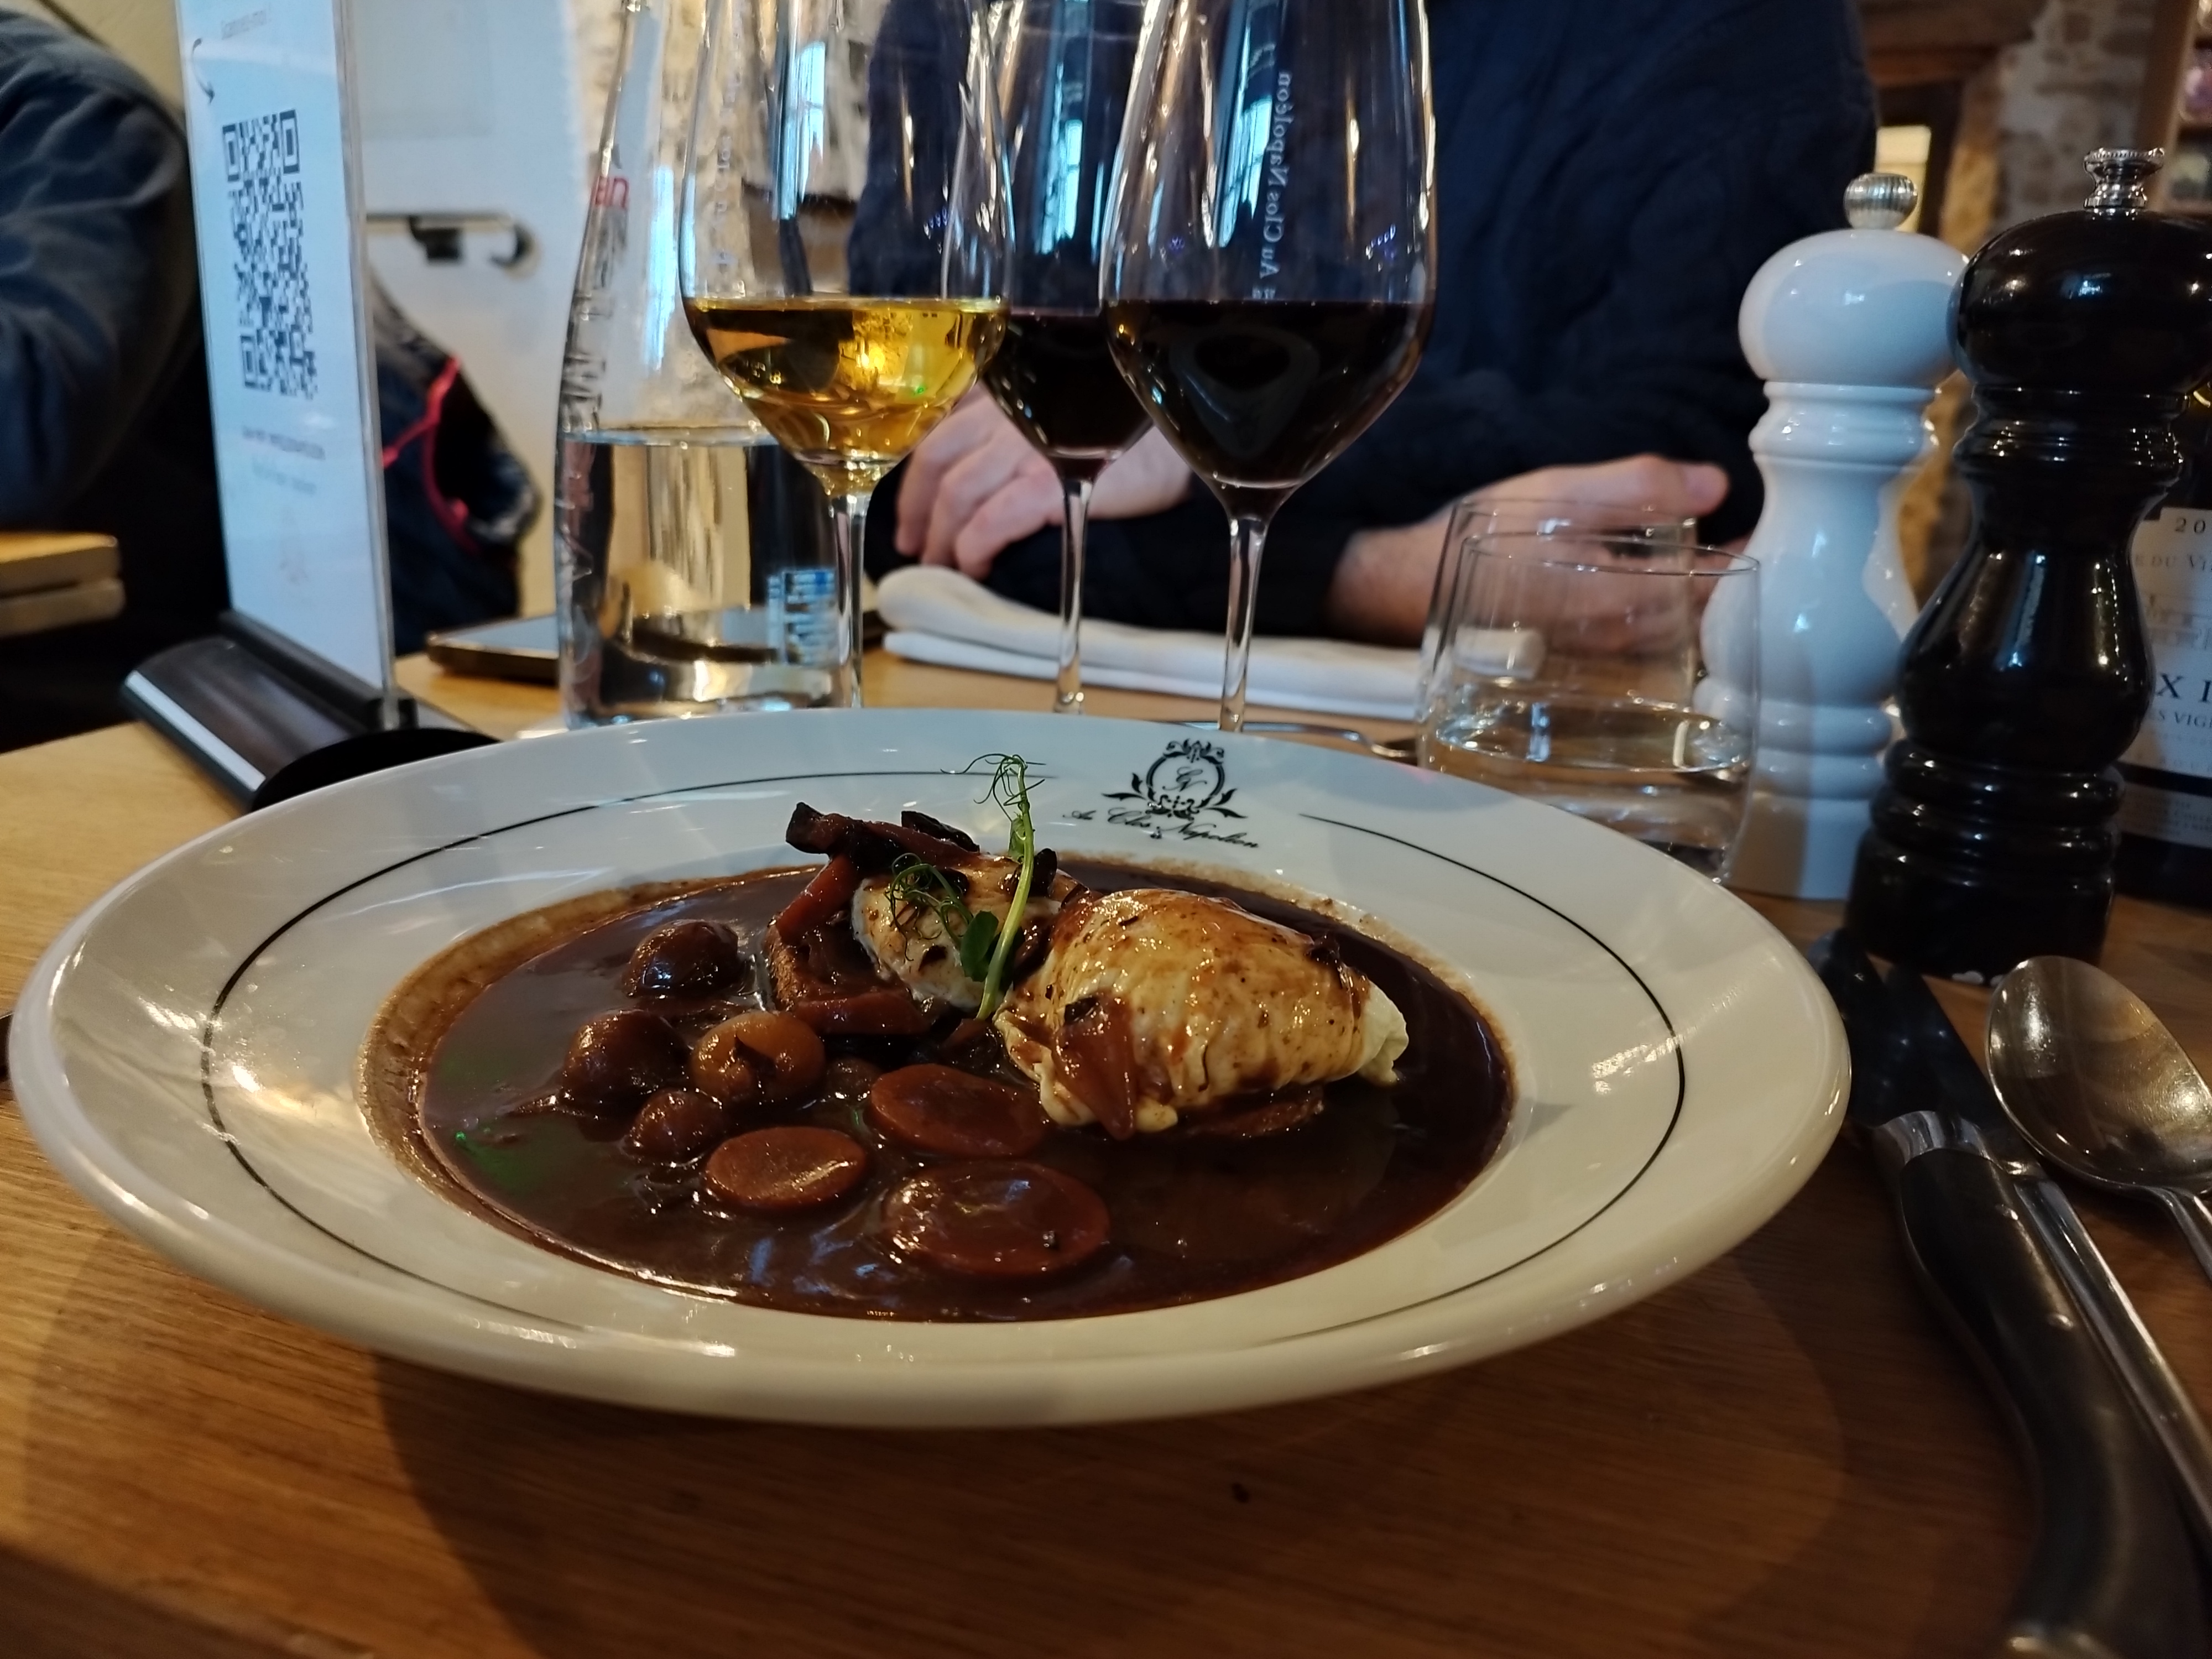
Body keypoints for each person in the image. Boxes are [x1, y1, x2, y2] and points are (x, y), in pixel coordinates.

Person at [878, 0, 1876, 645]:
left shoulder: (1741, 28)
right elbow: (901, 496)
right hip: (990, 728)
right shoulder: (980, 22)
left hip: (1504, 778)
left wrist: (1181, 456)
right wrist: (1378, 576)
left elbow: (1691, 480)